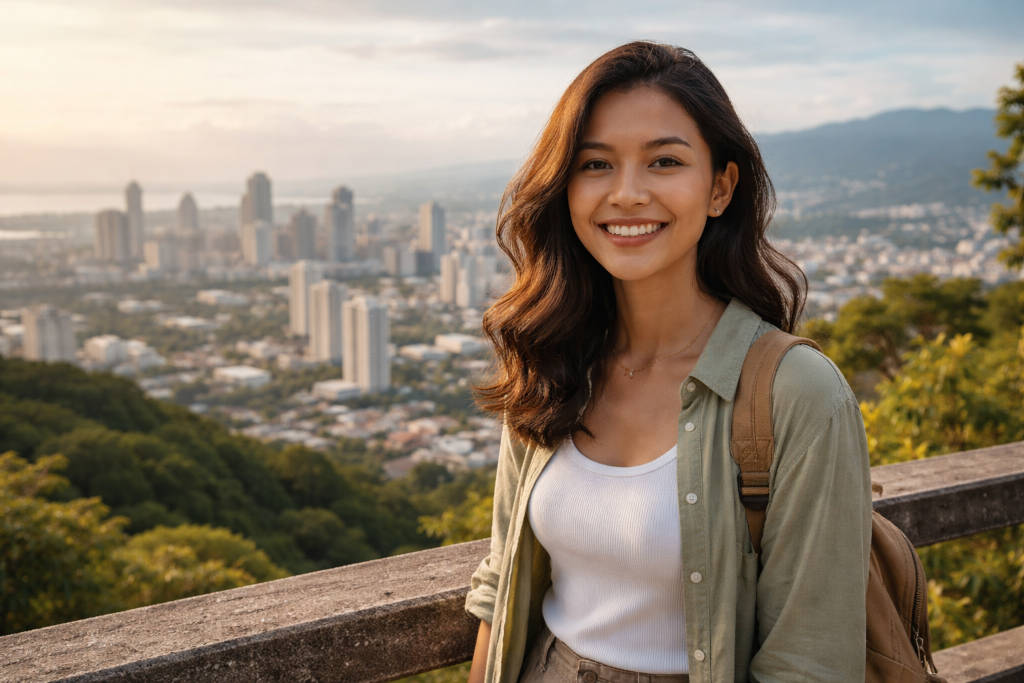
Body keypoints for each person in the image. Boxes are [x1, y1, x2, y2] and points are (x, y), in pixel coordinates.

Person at [465, 41, 872, 682]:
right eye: (595, 164)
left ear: (719, 188)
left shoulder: (796, 393)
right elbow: (502, 581)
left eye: (664, 161)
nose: (626, 194)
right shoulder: (554, 359)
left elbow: (810, 661)